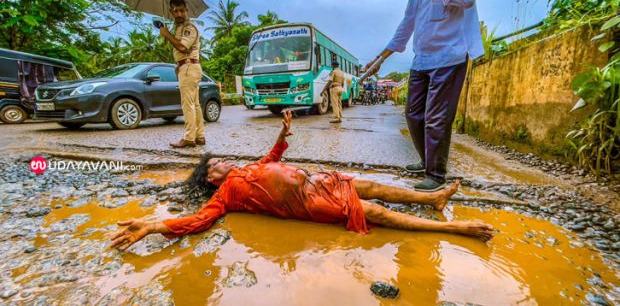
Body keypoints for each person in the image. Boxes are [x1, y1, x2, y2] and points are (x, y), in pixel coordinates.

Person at [110, 111, 494, 251]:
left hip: (320, 181)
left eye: (220, 159)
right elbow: (196, 222)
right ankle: (456, 229)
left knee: (372, 186)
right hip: (312, 204)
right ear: (211, 180)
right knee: (373, 210)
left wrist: (283, 133)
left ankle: (433, 199)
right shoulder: (224, 196)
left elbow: (273, 158)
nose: (222, 162)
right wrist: (153, 226)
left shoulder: (246, 169)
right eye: (214, 166)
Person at [363, 0, 484, 192]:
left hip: (451, 55)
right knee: (413, 114)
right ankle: (426, 159)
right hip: (422, 60)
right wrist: (380, 58)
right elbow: (406, 24)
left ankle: (436, 175)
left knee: (436, 118)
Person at [158, 0, 205, 149]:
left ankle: (189, 137)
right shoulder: (179, 29)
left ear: (186, 10)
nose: (179, 14)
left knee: (188, 104)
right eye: (176, 11)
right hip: (187, 67)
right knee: (195, 104)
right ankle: (199, 135)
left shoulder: (189, 28)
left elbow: (183, 48)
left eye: (182, 10)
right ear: (171, 12)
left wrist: (166, 35)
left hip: (189, 68)